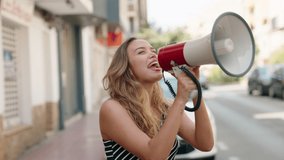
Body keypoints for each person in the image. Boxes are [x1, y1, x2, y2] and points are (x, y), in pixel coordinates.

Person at [99, 37, 214, 160]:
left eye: (153, 51)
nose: (153, 55)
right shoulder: (112, 108)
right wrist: (180, 99)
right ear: (127, 68)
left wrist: (195, 90)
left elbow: (205, 144)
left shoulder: (165, 108)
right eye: (141, 52)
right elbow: (153, 156)